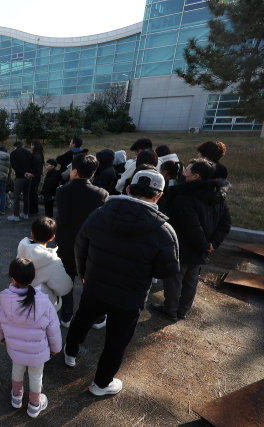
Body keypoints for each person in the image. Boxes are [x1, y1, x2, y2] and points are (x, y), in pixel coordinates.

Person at [65, 169, 179, 396]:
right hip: (130, 296)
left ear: (128, 189)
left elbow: (80, 246)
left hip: (95, 285)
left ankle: (69, 352)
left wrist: (83, 273)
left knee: (82, 319)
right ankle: (101, 384)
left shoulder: (99, 214)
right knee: (116, 341)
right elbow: (166, 270)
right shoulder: (164, 231)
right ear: (159, 195)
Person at [151, 159, 231, 321]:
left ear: (196, 176)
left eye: (187, 170)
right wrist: (212, 244)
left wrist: (205, 244)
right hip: (202, 249)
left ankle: (170, 310)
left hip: (181, 247)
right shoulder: (218, 196)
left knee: (174, 279)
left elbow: (191, 226)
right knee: (191, 280)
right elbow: (225, 223)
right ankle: (183, 311)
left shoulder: (185, 197)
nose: (183, 173)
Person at [0, 258, 61, 418]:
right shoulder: (44, 301)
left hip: (15, 350)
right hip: (38, 353)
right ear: (33, 277)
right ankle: (34, 405)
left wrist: (1, 338)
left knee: (17, 369)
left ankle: (16, 397)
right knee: (36, 377)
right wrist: (55, 348)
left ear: (12, 279)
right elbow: (54, 329)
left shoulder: (3, 299)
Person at [55, 153, 108, 328]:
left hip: (66, 243)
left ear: (74, 171)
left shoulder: (61, 191)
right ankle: (96, 318)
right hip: (90, 244)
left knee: (67, 279)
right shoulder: (101, 194)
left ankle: (66, 316)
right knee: (91, 281)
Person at [17, 217, 73, 311]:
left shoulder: (21, 253)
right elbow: (65, 288)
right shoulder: (53, 262)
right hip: (45, 308)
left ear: (32, 234)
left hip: (21, 304)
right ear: (52, 237)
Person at [8, 141, 33, 222]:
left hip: (20, 177)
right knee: (26, 196)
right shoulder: (28, 152)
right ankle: (25, 214)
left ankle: (16, 216)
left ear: (14, 147)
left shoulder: (14, 153)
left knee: (16, 196)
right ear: (22, 146)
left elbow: (14, 165)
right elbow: (33, 163)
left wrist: (23, 173)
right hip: (29, 177)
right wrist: (29, 173)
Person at [28, 140, 44, 216]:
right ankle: (35, 210)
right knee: (34, 193)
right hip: (38, 176)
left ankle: (32, 211)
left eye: (32, 145)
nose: (31, 146)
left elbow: (33, 168)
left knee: (32, 193)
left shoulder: (33, 156)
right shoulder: (40, 155)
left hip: (33, 176)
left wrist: (29, 175)